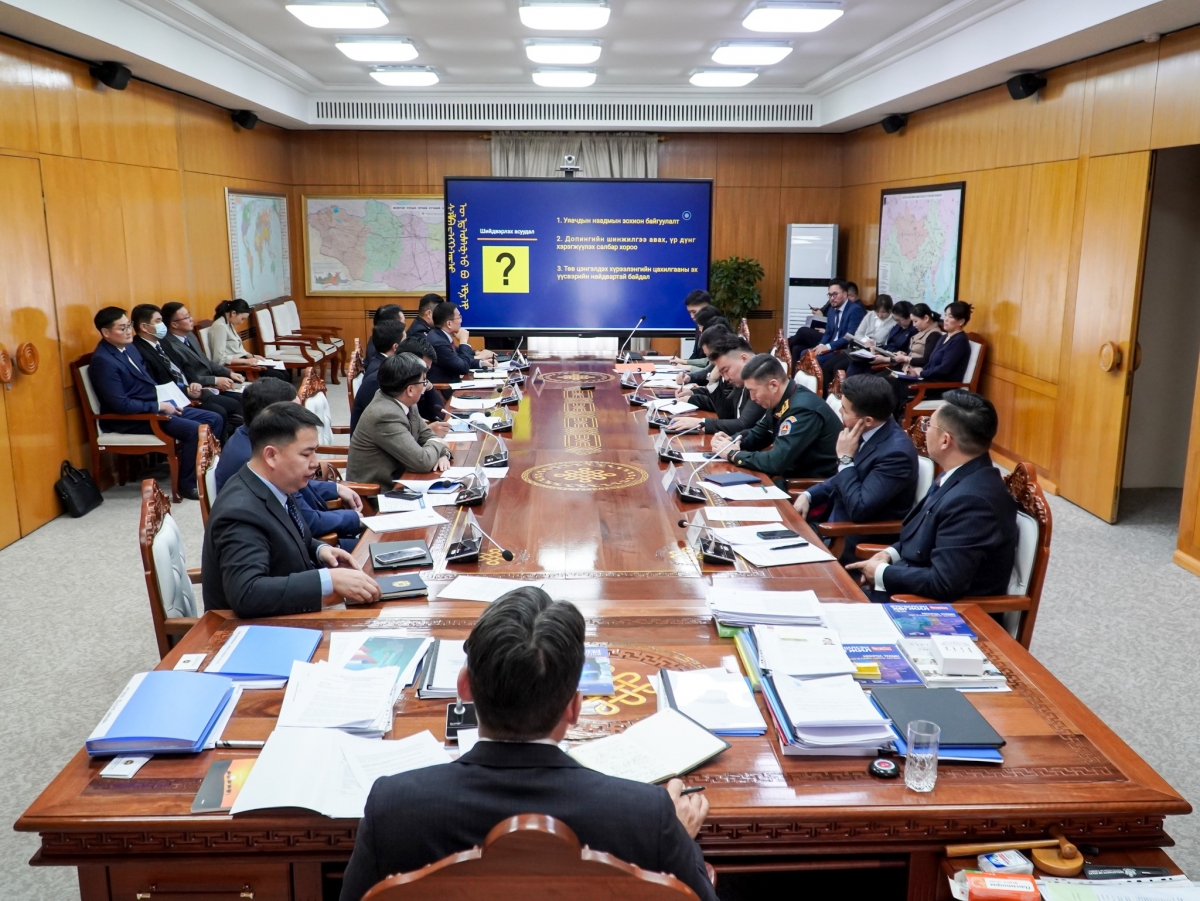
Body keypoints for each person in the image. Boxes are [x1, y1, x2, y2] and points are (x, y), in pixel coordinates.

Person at [339, 586, 716, 901]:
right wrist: (675, 842)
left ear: (464, 688)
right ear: (574, 707)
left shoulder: (393, 807)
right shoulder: (647, 817)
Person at [202, 403, 380, 617]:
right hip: (256, 627)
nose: (315, 463)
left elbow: (290, 537)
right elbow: (247, 593)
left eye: (315, 452)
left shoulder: (275, 483)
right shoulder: (240, 512)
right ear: (271, 455)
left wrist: (320, 550)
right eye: (306, 454)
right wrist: (328, 580)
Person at [848, 390, 1018, 603]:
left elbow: (943, 583)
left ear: (945, 440)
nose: (925, 430)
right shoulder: (960, 473)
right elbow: (925, 537)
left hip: (943, 611)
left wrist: (881, 573)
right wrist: (889, 554)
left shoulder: (974, 501)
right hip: (908, 586)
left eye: (929, 425)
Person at [89, 306, 225, 500]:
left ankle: (205, 473)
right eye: (122, 328)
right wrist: (158, 406)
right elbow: (120, 405)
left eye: (129, 326)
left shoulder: (129, 348)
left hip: (154, 406)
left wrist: (168, 399)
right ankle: (187, 485)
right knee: (194, 430)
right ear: (105, 332)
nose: (128, 331)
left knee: (214, 418)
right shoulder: (103, 361)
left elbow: (147, 382)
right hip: (131, 419)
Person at [214, 378, 364, 550]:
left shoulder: (251, 439)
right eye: (294, 412)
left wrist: (335, 488)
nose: (315, 462)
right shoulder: (255, 461)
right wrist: (356, 519)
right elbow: (307, 521)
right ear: (273, 417)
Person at [794, 375, 919, 558]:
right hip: (828, 527)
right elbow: (848, 476)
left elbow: (859, 509)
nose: (839, 410)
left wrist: (845, 459)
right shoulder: (868, 430)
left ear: (867, 420)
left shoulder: (896, 455)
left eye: (844, 409)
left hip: (851, 541)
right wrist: (809, 495)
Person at [711, 354, 840, 485]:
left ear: (773, 385)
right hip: (789, 475)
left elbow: (775, 462)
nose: (752, 398)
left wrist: (734, 454)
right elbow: (759, 434)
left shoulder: (802, 410)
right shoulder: (783, 399)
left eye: (753, 391)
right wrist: (729, 441)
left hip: (808, 486)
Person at [131, 304, 240, 440]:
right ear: (144, 327)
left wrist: (194, 381)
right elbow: (157, 382)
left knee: (232, 406)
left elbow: (184, 364)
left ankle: (224, 444)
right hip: (175, 399)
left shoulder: (161, 342)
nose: (162, 325)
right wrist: (186, 390)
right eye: (158, 321)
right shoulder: (138, 350)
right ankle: (215, 449)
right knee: (218, 413)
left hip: (192, 391)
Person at [347, 352, 452, 486]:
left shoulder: (406, 402)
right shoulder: (385, 415)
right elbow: (422, 462)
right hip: (376, 491)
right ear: (410, 390)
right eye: (424, 381)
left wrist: (443, 454)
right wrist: (440, 444)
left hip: (402, 477)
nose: (425, 386)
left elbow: (427, 435)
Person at [669, 333, 764, 436]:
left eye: (726, 370)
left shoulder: (762, 376)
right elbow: (727, 414)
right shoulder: (741, 380)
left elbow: (743, 425)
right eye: (722, 373)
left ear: (744, 359)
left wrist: (701, 423)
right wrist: (713, 381)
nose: (726, 378)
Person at [890, 301, 973, 417]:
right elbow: (931, 361)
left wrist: (921, 373)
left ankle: (892, 422)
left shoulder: (959, 341)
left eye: (950, 316)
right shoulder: (944, 337)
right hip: (929, 380)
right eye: (945, 315)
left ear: (961, 321)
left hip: (940, 387)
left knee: (894, 386)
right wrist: (917, 371)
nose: (945, 319)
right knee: (892, 380)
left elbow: (944, 369)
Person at [820, 294, 895, 386]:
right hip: (858, 348)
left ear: (890, 310)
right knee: (828, 365)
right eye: (877, 311)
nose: (880, 315)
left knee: (840, 367)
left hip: (874, 352)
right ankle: (828, 393)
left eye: (883, 312)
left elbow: (886, 342)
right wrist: (866, 341)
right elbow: (858, 334)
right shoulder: (870, 315)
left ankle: (842, 392)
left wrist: (873, 344)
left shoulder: (894, 322)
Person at [207, 298, 290, 379]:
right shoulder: (219, 327)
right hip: (235, 367)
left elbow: (238, 350)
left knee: (284, 372)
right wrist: (246, 361)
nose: (242, 322)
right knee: (279, 376)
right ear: (233, 313)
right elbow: (219, 358)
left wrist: (252, 356)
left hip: (242, 362)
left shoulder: (228, 323)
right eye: (242, 318)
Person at [350, 319, 407, 434]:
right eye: (405, 341)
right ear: (396, 347)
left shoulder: (379, 362)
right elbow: (380, 419)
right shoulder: (379, 376)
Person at [427, 301, 494, 383]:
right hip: (444, 388)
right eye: (459, 317)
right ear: (449, 324)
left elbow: (457, 360)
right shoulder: (438, 343)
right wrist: (463, 341)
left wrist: (481, 363)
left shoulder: (440, 336)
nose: (461, 321)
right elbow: (463, 367)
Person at [846, 300, 916, 376]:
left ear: (909, 317)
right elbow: (889, 344)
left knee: (865, 372)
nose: (898, 323)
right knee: (856, 363)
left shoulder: (914, 331)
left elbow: (907, 355)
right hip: (885, 353)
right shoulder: (898, 326)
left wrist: (885, 359)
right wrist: (877, 350)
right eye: (896, 320)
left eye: (899, 320)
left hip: (894, 361)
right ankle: (846, 382)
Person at [397, 335, 449, 430]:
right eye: (423, 369)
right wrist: (429, 431)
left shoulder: (416, 381)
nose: (425, 375)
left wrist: (429, 387)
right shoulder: (384, 382)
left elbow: (438, 415)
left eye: (427, 370)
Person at [812, 279, 866, 371]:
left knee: (817, 359)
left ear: (845, 294)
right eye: (830, 295)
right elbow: (828, 332)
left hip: (843, 348)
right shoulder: (832, 310)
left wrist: (827, 347)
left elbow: (849, 336)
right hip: (831, 345)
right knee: (805, 353)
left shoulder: (855, 310)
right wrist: (821, 345)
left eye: (835, 294)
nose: (832, 298)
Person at [681, 289, 713, 363]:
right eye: (690, 312)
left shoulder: (717, 327)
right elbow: (696, 354)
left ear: (706, 308)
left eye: (694, 312)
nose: (692, 316)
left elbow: (710, 361)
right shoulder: (699, 326)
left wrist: (685, 363)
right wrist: (683, 363)